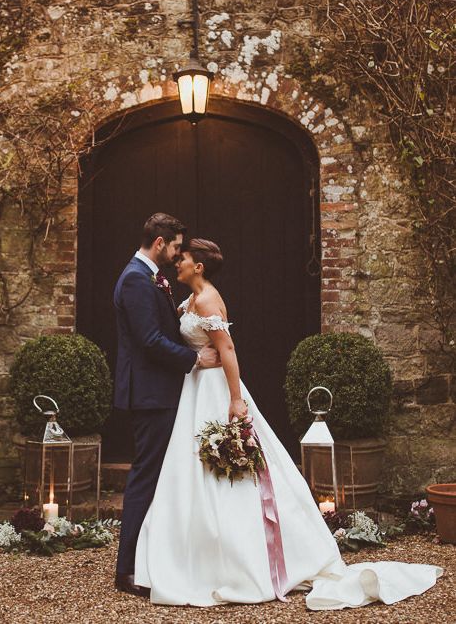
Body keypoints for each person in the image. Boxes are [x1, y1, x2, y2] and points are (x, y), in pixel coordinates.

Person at [133, 237, 443, 609]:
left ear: (198, 266)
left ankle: (243, 558)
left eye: (181, 258)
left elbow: (227, 348)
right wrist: (193, 355)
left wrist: (235, 399)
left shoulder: (208, 299)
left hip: (215, 391)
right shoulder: (191, 300)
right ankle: (190, 552)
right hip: (195, 388)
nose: (176, 262)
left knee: (228, 468)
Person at [113, 214, 221, 597]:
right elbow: (149, 340)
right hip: (151, 394)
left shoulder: (147, 278)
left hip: (159, 391)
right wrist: (194, 360)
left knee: (161, 478)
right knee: (146, 477)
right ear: (159, 243)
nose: (178, 255)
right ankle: (126, 570)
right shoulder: (136, 280)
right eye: (175, 247)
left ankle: (152, 559)